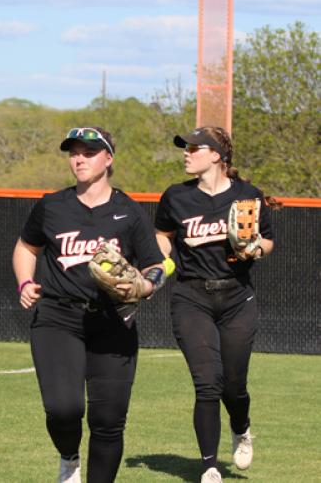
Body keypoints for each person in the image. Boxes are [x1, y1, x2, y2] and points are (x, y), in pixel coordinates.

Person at [12, 127, 165, 483]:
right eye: (73, 152)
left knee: (108, 420)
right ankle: (68, 457)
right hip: (57, 316)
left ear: (109, 159)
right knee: (64, 410)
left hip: (113, 321)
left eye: (89, 152)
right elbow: (26, 247)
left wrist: (145, 285)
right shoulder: (52, 206)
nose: (79, 158)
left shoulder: (128, 212)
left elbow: (156, 265)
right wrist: (25, 281)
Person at [154, 126, 275, 483]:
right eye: (185, 147)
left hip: (237, 296)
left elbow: (267, 242)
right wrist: (162, 258)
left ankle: (242, 427)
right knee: (207, 382)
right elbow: (163, 234)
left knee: (233, 385)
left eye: (194, 147)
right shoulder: (176, 197)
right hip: (191, 297)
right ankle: (209, 465)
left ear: (217, 155)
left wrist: (254, 247)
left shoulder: (248, 195)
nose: (186, 153)